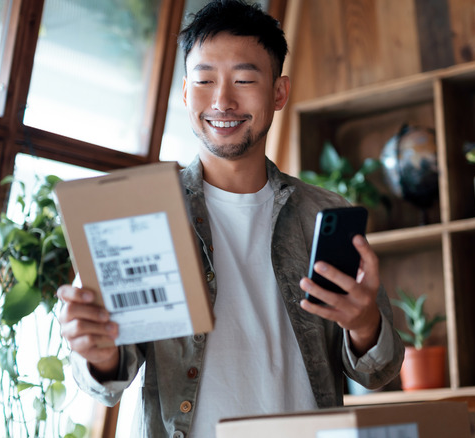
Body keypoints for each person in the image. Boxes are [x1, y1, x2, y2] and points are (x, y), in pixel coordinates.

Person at [57, 1, 404, 436]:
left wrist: (364, 323)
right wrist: (97, 347)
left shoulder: (324, 213)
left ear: (279, 93)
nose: (222, 100)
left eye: (243, 80)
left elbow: (380, 371)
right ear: (185, 92)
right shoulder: (142, 214)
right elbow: (109, 378)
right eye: (204, 80)